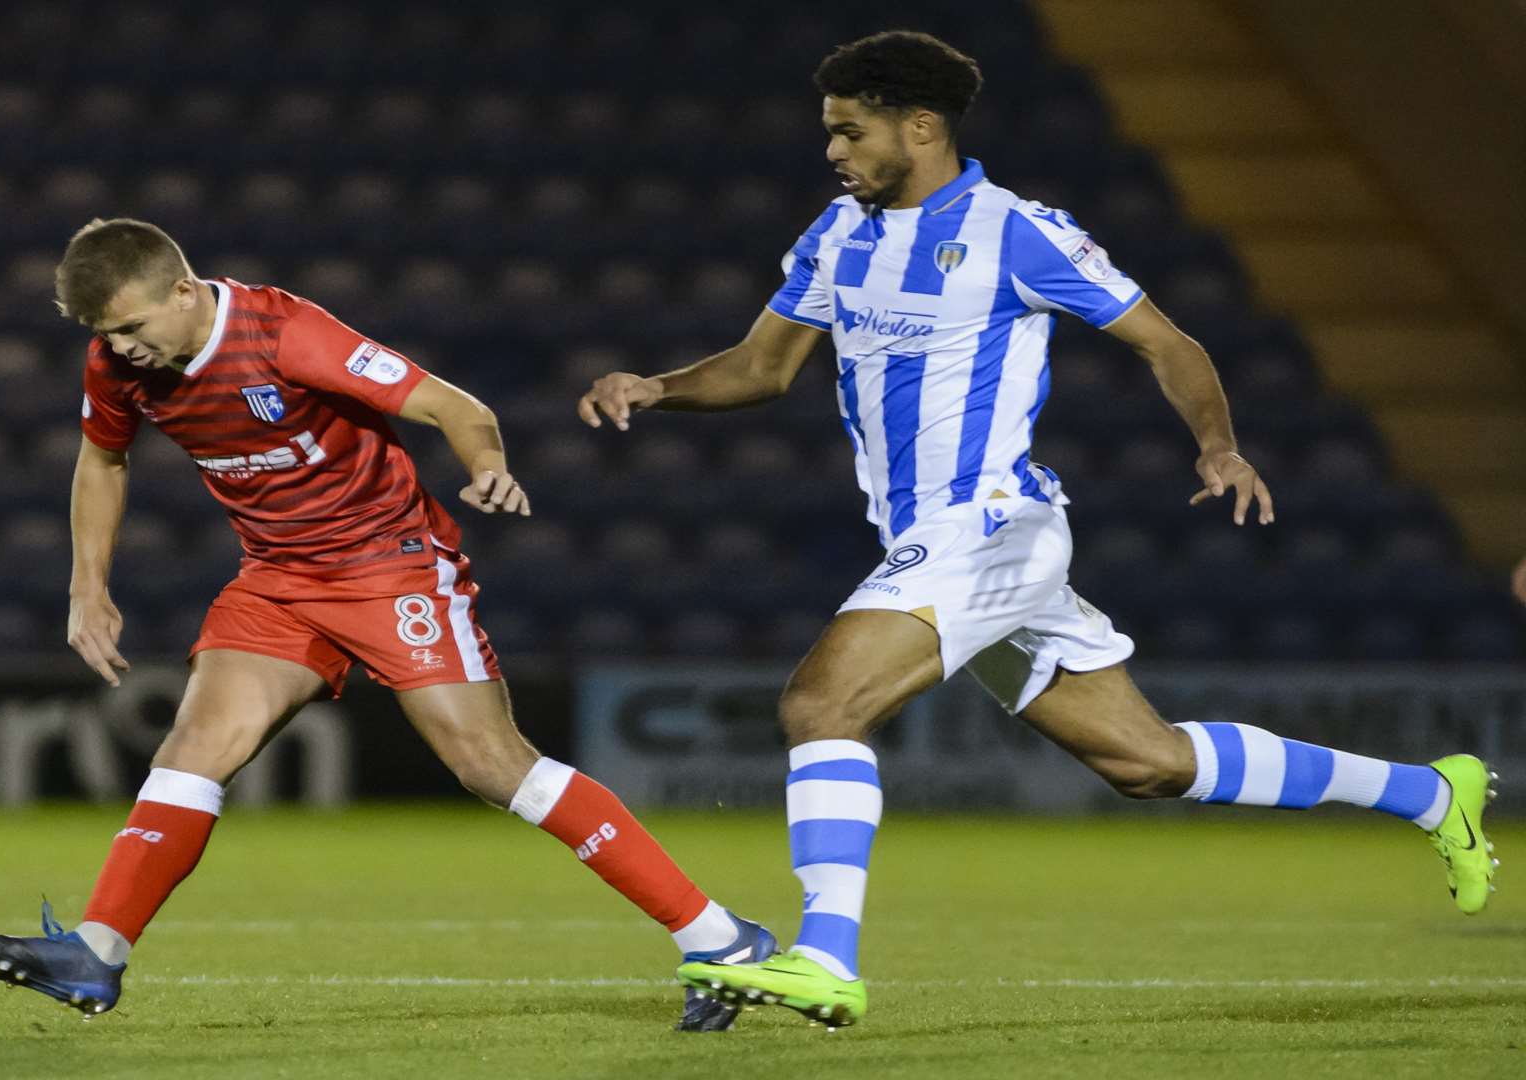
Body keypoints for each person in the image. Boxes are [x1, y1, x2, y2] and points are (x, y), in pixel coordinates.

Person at [577, 31, 1498, 1030]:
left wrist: (1217, 446)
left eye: (851, 130)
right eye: (829, 132)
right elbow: (762, 367)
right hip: (934, 542)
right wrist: (656, 388)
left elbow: (1166, 341)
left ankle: (824, 958)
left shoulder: (1018, 231)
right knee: (1147, 762)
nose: (833, 151)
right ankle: (1428, 793)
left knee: (820, 705)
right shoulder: (835, 235)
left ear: (919, 126)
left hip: (994, 525)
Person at [0, 218, 773, 1030]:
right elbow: (103, 458)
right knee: (194, 747)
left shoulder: (286, 333)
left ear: (181, 289)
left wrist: (487, 469)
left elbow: (456, 405)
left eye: (132, 328)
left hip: (389, 564)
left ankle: (723, 941)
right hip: (277, 580)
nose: (121, 348)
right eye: (106, 334)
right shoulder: (115, 364)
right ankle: (97, 951)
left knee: (491, 765)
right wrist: (87, 587)